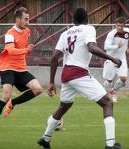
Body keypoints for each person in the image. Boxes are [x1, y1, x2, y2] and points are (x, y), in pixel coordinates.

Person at [37, 8, 124, 149]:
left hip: (66, 74)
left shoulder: (65, 33)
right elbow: (91, 48)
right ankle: (110, 145)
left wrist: (52, 82)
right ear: (87, 19)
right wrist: (112, 58)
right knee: (107, 103)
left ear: (73, 20)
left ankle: (45, 139)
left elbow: (54, 57)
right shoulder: (88, 29)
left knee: (63, 106)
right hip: (79, 73)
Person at [0, 7, 42, 131]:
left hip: (21, 68)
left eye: (28, 19)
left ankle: (13, 103)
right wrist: (26, 50)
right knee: (6, 95)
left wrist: (27, 51)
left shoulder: (27, 31)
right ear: (18, 20)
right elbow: (10, 50)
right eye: (25, 19)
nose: (28, 22)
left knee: (38, 89)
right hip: (7, 68)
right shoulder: (9, 34)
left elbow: (22, 49)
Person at [103, 17, 129, 102]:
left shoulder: (127, 32)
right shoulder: (111, 34)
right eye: (118, 26)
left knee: (123, 78)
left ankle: (113, 91)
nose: (120, 28)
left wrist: (127, 48)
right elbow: (105, 47)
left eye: (121, 26)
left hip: (121, 58)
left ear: (124, 26)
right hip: (111, 58)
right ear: (115, 25)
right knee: (109, 81)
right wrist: (116, 46)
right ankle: (103, 93)